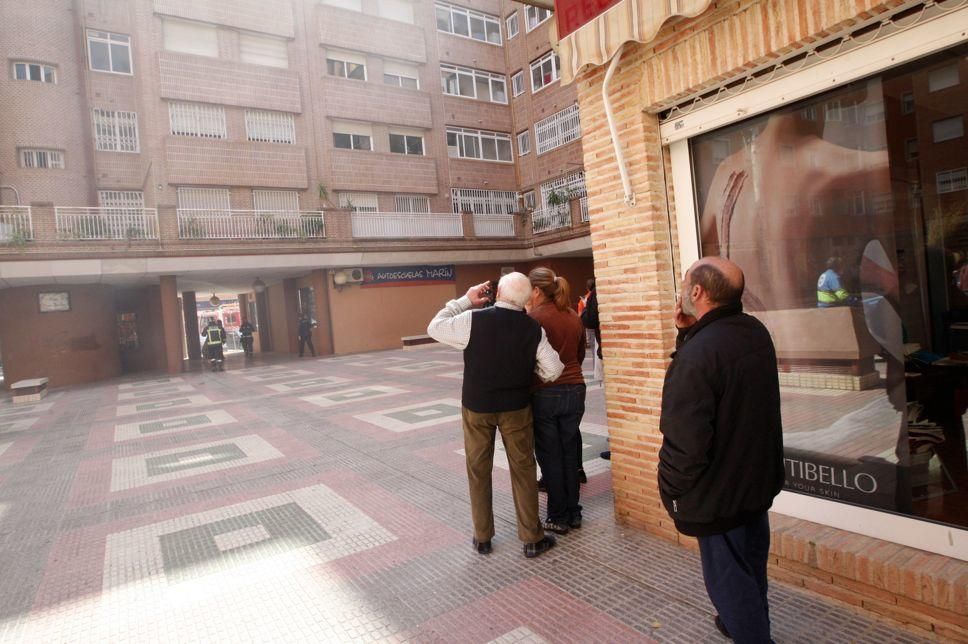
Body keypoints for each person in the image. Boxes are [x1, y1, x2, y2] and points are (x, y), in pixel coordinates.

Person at [658, 256, 784, 643]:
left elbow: (686, 441)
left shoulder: (699, 356)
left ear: (697, 292)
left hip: (718, 495)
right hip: (754, 484)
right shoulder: (753, 332)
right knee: (750, 568)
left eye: (685, 283)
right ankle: (741, 624)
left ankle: (750, 632)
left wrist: (670, 487)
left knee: (731, 585)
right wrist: (689, 333)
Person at [427, 273, 563, 559]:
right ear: (527, 299)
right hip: (516, 408)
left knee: (478, 470)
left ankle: (482, 537)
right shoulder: (531, 327)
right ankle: (531, 538)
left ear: (498, 292)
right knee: (524, 470)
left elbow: (434, 327)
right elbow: (553, 368)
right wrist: (528, 374)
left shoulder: (472, 320)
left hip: (477, 407)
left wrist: (466, 299)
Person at [527, 267, 587, 534]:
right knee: (569, 451)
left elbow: (529, 360)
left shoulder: (534, 318)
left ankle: (557, 515)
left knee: (550, 456)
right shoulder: (573, 315)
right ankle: (574, 512)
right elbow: (580, 353)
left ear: (537, 291)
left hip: (546, 392)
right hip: (576, 389)